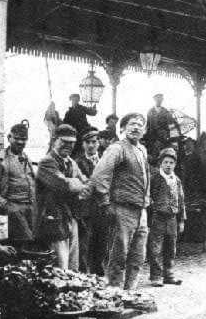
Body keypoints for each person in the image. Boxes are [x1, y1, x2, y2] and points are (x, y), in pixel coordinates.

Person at [90, 112, 150, 290]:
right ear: (122, 128)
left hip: (141, 211)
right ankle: (113, 296)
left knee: (138, 256)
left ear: (144, 130)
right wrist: (105, 202)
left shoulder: (142, 150)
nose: (136, 127)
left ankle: (130, 293)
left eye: (140, 125)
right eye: (132, 124)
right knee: (118, 256)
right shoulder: (117, 148)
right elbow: (100, 175)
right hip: (122, 209)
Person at [35, 124, 88, 270]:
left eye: (72, 143)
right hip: (53, 220)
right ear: (54, 140)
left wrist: (78, 185)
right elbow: (63, 185)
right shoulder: (47, 162)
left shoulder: (71, 162)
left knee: (73, 266)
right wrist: (77, 185)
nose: (68, 146)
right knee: (59, 267)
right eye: (64, 141)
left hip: (70, 218)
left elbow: (85, 185)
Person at [0, 121, 37, 242]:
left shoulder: (27, 159)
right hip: (12, 211)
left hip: (30, 210)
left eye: (24, 139)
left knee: (36, 242)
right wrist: (8, 206)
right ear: (9, 138)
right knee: (26, 241)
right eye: (17, 139)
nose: (20, 142)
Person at [148, 148, 186, 287]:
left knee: (171, 247)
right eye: (165, 162)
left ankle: (169, 274)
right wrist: (153, 207)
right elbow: (148, 195)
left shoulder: (176, 180)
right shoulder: (155, 178)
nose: (168, 165)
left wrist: (181, 220)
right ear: (160, 163)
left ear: (175, 164)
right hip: (158, 217)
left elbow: (181, 200)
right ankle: (156, 276)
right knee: (155, 247)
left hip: (172, 218)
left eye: (171, 162)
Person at [75, 127, 107, 275]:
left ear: (98, 143)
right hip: (86, 210)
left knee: (101, 245)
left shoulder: (106, 160)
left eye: (94, 142)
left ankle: (99, 276)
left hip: (103, 209)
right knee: (85, 246)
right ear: (83, 144)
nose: (91, 145)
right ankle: (83, 276)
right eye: (87, 142)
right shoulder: (78, 163)